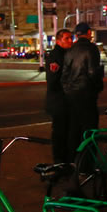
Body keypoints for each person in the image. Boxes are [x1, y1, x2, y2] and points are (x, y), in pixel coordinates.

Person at [61, 23, 104, 162]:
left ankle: (73, 161)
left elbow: (65, 74)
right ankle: (87, 163)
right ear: (89, 32)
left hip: (72, 95)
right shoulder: (91, 49)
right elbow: (92, 72)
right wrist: (98, 87)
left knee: (74, 128)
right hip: (87, 94)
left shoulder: (70, 49)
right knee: (89, 129)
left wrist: (68, 91)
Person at [46, 29, 74, 163]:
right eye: (67, 38)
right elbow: (53, 81)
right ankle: (59, 162)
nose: (70, 41)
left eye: (71, 38)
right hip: (59, 102)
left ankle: (66, 160)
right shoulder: (56, 55)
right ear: (58, 40)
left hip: (65, 101)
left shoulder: (66, 54)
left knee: (66, 132)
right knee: (59, 133)